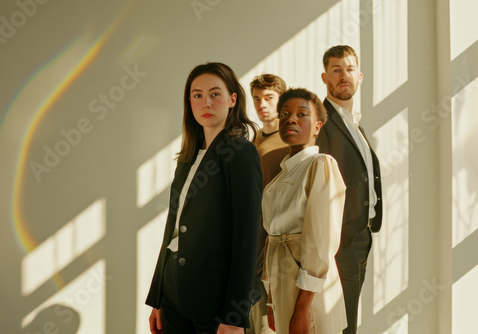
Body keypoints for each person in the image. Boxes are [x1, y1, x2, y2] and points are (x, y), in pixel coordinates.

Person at [146, 62, 263, 334]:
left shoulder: (240, 152)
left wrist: (235, 316)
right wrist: (157, 298)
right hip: (174, 290)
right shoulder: (188, 157)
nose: (206, 102)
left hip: (214, 297)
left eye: (215, 94)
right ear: (189, 102)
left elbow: (247, 237)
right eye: (197, 95)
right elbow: (172, 230)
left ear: (232, 99)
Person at [262, 88, 347, 334]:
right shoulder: (280, 177)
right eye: (285, 114)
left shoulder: (321, 165)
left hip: (308, 289)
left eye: (302, 114)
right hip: (282, 285)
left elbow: (322, 241)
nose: (291, 119)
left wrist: (302, 307)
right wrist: (271, 299)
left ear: (318, 126)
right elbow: (272, 240)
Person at [316, 45, 383, 333]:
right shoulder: (322, 122)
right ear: (324, 78)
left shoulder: (354, 123)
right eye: (336, 70)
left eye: (349, 69)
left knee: (347, 321)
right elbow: (316, 188)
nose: (344, 76)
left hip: (361, 235)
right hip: (339, 242)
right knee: (340, 325)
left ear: (360, 76)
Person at [247, 74, 288, 334]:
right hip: (251, 242)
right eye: (257, 99)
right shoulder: (253, 140)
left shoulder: (290, 142)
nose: (262, 104)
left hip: (276, 245)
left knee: (269, 324)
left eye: (269, 98)